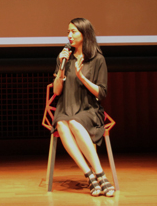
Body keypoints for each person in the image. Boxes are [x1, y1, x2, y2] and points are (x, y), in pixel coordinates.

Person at [52, 18, 115, 197]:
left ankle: (98, 174)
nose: (69, 36)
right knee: (62, 124)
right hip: (65, 106)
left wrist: (81, 77)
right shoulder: (64, 58)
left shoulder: (98, 59)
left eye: (73, 31)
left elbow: (101, 93)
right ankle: (91, 175)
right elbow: (56, 91)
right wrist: (61, 69)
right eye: (68, 32)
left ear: (85, 34)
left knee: (74, 122)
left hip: (88, 109)